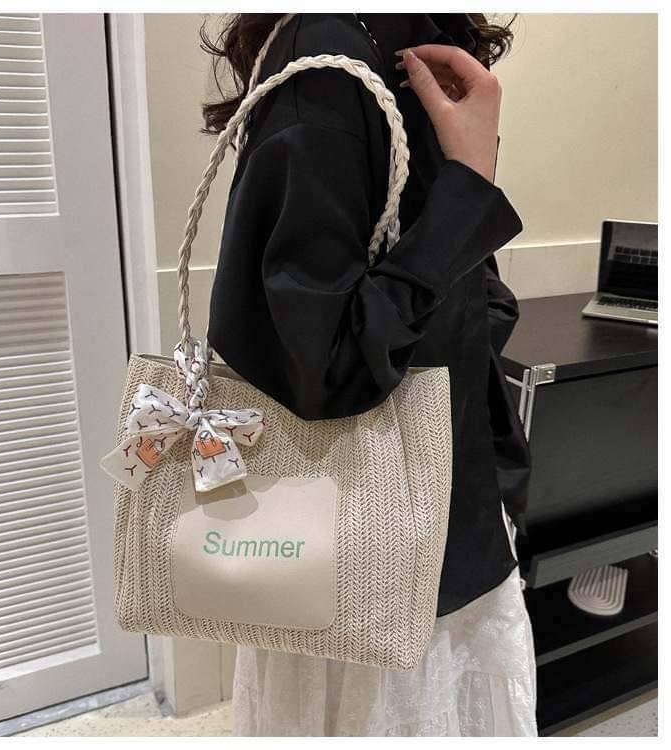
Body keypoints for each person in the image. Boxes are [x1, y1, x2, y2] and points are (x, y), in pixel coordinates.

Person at [200, 12, 537, 737]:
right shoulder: (326, 63)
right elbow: (323, 365)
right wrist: (469, 186)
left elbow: (457, 290)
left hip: (441, 510)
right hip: (373, 549)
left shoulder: (405, 38)